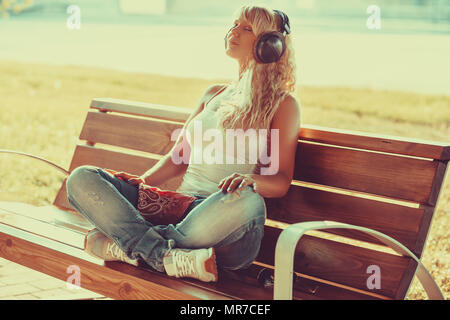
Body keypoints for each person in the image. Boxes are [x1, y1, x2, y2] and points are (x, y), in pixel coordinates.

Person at [65, 4, 300, 283]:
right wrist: (143, 180)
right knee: (82, 178)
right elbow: (180, 156)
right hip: (178, 211)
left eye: (246, 28)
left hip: (225, 225)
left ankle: (131, 247)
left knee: (249, 201)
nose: (233, 31)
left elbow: (282, 180)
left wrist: (251, 180)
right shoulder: (214, 93)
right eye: (234, 24)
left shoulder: (283, 105)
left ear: (269, 45)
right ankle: (166, 256)